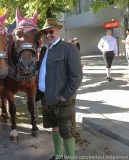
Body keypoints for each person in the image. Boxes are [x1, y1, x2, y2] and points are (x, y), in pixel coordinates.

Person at [36, 18, 83, 160]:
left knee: (67, 131)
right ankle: (58, 156)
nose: (48, 35)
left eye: (51, 31)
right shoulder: (44, 49)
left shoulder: (69, 48)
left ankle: (70, 158)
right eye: (46, 32)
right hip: (46, 97)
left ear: (58, 30)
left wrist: (66, 96)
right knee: (54, 126)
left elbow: (77, 76)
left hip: (62, 99)